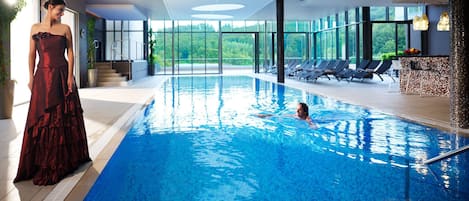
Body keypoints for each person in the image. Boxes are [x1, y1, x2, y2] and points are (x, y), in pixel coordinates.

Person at [14, 0, 91, 185]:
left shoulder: (65, 28)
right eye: (60, 10)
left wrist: (70, 76)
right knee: (42, 118)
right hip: (42, 76)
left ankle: (63, 160)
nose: (62, 14)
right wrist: (31, 77)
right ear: (50, 7)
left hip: (62, 74)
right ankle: (40, 162)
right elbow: (31, 54)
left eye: (63, 11)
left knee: (62, 117)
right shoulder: (34, 28)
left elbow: (71, 52)